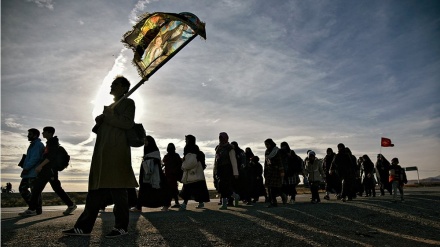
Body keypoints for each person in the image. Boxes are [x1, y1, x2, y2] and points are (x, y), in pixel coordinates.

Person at [63, 76, 139, 238]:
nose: (111, 86)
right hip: (102, 154)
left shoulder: (128, 103)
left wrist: (108, 116)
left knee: (119, 191)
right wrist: (100, 121)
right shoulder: (112, 106)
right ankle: (83, 227)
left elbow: (127, 123)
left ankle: (121, 227)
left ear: (124, 88)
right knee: (95, 191)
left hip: (116, 153)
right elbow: (102, 130)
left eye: (115, 84)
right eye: (111, 84)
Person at [19, 127, 77, 216]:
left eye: (44, 132)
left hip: (49, 170)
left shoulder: (52, 142)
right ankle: (71, 204)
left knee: (38, 189)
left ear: (49, 133)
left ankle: (32, 209)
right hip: (49, 170)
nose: (42, 133)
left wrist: (40, 166)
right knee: (54, 188)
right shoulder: (50, 142)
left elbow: (51, 156)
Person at [130, 135, 170, 212]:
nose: (145, 143)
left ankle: (165, 204)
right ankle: (139, 206)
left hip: (155, 174)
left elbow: (156, 162)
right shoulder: (147, 150)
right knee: (144, 189)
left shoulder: (155, 152)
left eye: (146, 141)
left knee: (160, 188)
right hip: (146, 173)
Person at [179, 135, 210, 210]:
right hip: (197, 172)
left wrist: (183, 165)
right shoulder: (196, 149)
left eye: (186, 140)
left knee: (187, 188)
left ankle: (184, 204)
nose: (185, 141)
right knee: (197, 189)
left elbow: (190, 162)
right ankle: (200, 202)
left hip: (191, 173)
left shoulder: (188, 149)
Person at [18, 128, 45, 215]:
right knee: (27, 190)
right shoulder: (34, 144)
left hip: (33, 172)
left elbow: (35, 158)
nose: (28, 136)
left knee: (33, 191)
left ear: (35, 135)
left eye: (30, 134)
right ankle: (35, 208)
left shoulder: (37, 145)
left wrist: (26, 168)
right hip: (30, 172)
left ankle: (33, 209)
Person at [213, 132, 239, 210]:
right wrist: (215, 170)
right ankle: (234, 197)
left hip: (227, 169)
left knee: (226, 186)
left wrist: (235, 172)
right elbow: (216, 160)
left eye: (222, 138)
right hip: (220, 169)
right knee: (221, 186)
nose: (221, 139)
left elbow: (233, 160)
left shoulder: (229, 148)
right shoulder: (218, 148)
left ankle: (226, 202)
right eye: (220, 138)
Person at [263, 139, 284, 208]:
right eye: (265, 144)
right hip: (269, 171)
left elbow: (280, 161)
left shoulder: (276, 151)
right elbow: (266, 162)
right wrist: (265, 171)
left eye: (267, 144)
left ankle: (279, 198)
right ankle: (273, 201)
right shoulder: (267, 152)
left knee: (274, 187)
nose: (266, 146)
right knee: (269, 187)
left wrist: (281, 171)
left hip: (276, 171)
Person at [162, 143, 183, 208]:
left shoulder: (167, 156)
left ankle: (168, 204)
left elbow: (164, 162)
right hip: (173, 175)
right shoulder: (176, 156)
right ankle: (175, 202)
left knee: (169, 189)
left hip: (169, 175)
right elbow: (180, 164)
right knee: (173, 189)